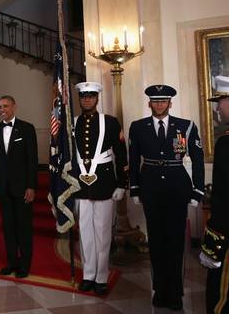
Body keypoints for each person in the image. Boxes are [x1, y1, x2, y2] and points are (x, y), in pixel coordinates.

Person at [129, 85, 204, 311]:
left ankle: (175, 293)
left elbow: (198, 160)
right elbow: (133, 160)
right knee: (157, 242)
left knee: (175, 242)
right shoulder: (138, 127)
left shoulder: (186, 126)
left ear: (170, 103)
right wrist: (134, 188)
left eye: (164, 101)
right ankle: (159, 290)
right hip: (150, 188)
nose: (159, 105)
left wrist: (197, 190)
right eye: (155, 101)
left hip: (177, 189)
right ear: (149, 103)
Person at [70, 82, 127, 295]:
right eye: (83, 96)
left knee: (102, 233)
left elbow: (121, 153)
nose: (87, 100)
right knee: (85, 233)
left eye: (91, 96)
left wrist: (122, 183)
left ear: (97, 98)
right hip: (80, 185)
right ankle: (88, 274)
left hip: (104, 183)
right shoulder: (72, 123)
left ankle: (101, 277)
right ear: (80, 99)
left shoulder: (110, 122)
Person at [0, 95, 38, 278]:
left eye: (6, 106)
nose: (2, 109)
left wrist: (31, 186)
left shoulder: (27, 128)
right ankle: (11, 263)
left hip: (22, 187)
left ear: (14, 107)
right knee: (8, 227)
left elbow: (32, 160)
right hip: (2, 188)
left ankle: (24, 265)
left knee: (24, 227)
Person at [200, 91, 229, 314]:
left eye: (221, 104)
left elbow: (223, 192)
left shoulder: (225, 143)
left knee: (221, 288)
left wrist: (215, 228)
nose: (218, 109)